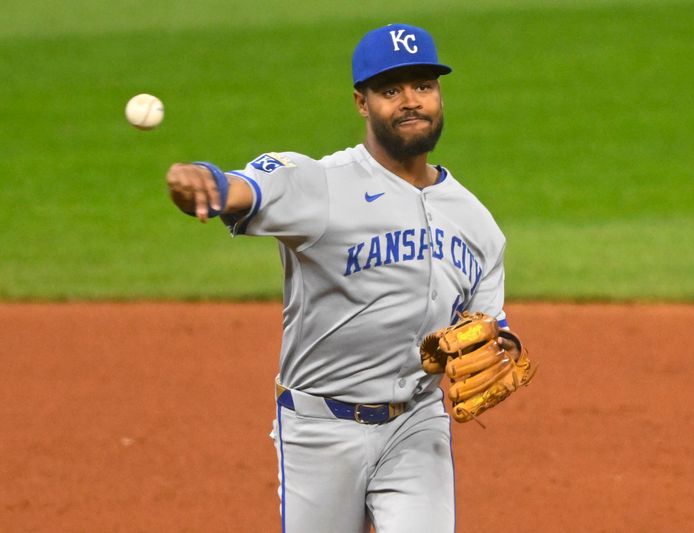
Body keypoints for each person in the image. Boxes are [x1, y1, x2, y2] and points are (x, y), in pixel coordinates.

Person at [166, 23, 523, 533]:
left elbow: (490, 325)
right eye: (390, 89)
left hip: (417, 424)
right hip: (319, 430)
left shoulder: (476, 221)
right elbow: (238, 190)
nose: (410, 101)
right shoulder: (316, 182)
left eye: (423, 85)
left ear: (439, 94)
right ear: (361, 102)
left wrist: (501, 343)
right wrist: (201, 182)